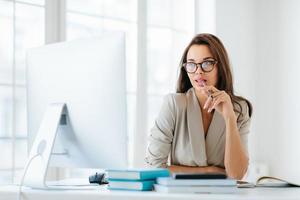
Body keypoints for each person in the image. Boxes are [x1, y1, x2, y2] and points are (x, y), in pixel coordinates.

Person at [145, 33, 252, 180]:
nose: (198, 71)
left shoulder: (240, 108)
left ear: (220, 67)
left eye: (207, 63)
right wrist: (209, 172)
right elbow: (154, 167)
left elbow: (237, 174)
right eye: (191, 64)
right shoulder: (174, 104)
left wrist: (229, 118)